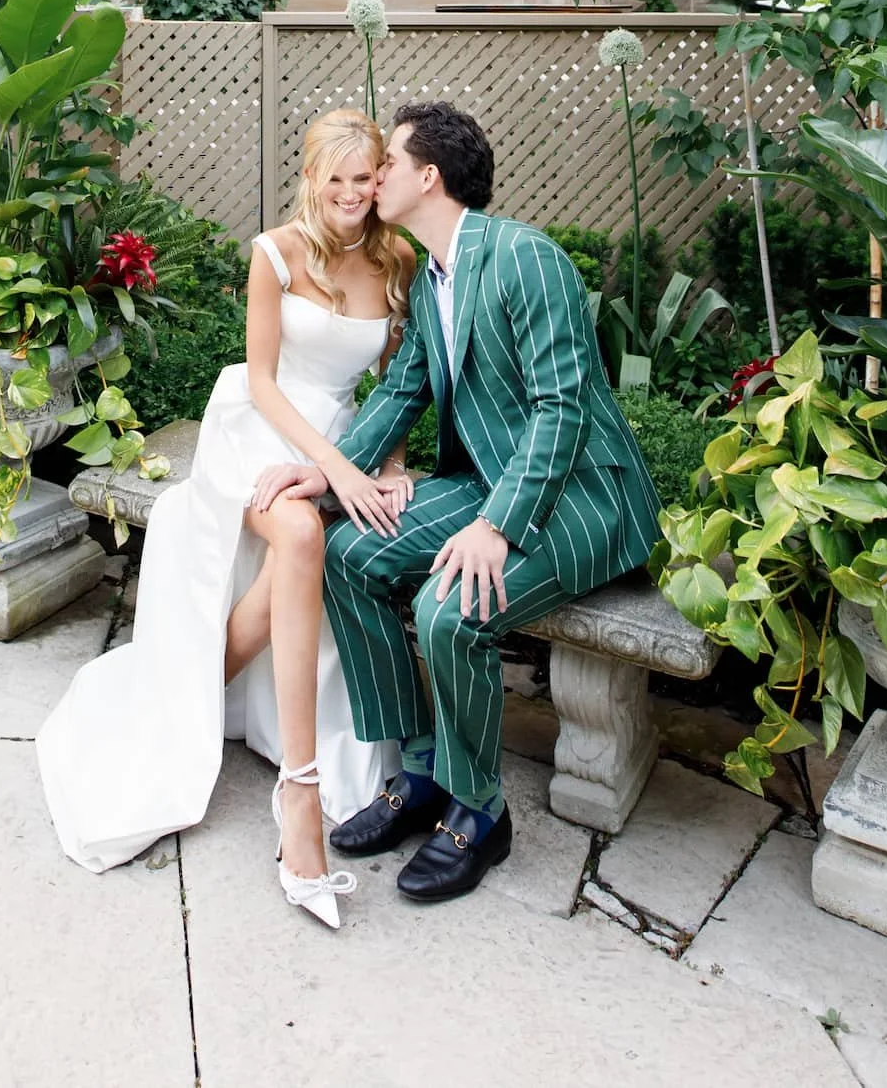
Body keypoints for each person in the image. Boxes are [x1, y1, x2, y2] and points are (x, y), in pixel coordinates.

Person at [260, 101, 661, 905]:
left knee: (451, 607)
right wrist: (331, 474)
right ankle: (417, 770)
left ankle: (478, 810)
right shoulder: (431, 274)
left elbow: (562, 409)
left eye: (388, 166)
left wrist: (495, 526)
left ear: (426, 177)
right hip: (491, 481)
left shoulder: (524, 257)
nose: (375, 179)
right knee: (347, 556)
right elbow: (403, 389)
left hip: (583, 496)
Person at [37, 108, 414, 927]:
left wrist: (381, 463)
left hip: (340, 435)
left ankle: (191, 694)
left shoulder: (397, 257)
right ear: (310, 180)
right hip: (259, 425)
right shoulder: (273, 253)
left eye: (364, 179)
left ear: (380, 179)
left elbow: (397, 382)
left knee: (300, 550)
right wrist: (336, 471)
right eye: (335, 179)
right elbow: (268, 382)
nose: (350, 195)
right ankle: (300, 799)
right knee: (303, 530)